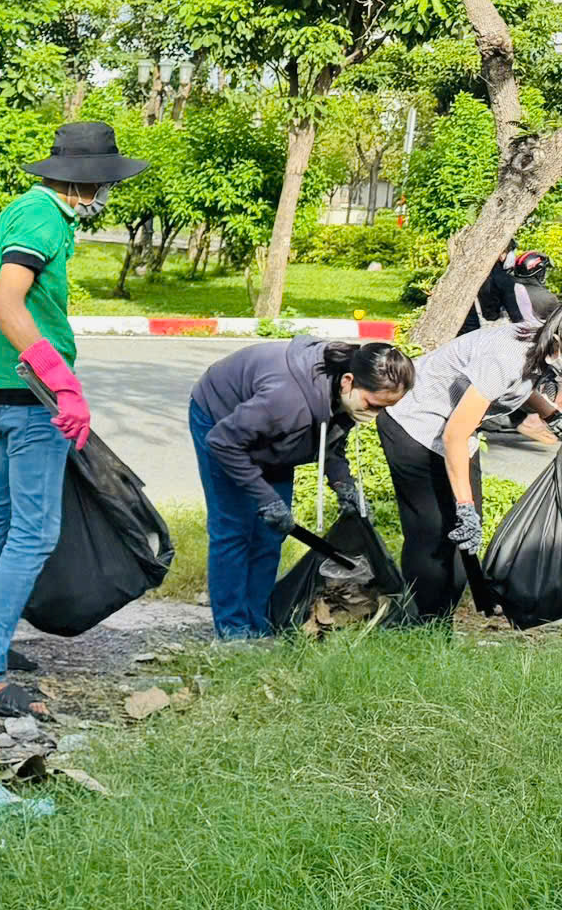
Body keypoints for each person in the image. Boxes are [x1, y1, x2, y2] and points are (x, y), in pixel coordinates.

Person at [0, 121, 148, 720]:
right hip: (28, 389)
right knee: (33, 534)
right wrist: (59, 380)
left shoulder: (26, 210)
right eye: (104, 183)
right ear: (85, 183)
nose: (106, 194)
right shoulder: (41, 218)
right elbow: (6, 302)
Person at [191, 336, 416, 637]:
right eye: (373, 405)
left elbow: (330, 442)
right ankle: (232, 630)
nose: (375, 416)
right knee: (233, 529)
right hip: (221, 422)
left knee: (271, 533)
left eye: (385, 408)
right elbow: (223, 443)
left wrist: (343, 485)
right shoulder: (286, 401)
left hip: (274, 434)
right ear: (348, 382)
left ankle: (259, 622)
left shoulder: (346, 393)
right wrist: (265, 498)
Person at [381, 294, 562, 615]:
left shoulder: (541, 341)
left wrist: (554, 419)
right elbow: (454, 435)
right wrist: (463, 507)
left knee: (466, 536)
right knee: (434, 531)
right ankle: (419, 624)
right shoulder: (507, 355)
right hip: (415, 421)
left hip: (458, 428)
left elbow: (522, 385)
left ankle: (441, 617)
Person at [458, 249, 552, 335]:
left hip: (465, 333)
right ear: (501, 254)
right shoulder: (504, 280)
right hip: (483, 335)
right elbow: (519, 319)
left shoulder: (473, 275)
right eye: (511, 250)